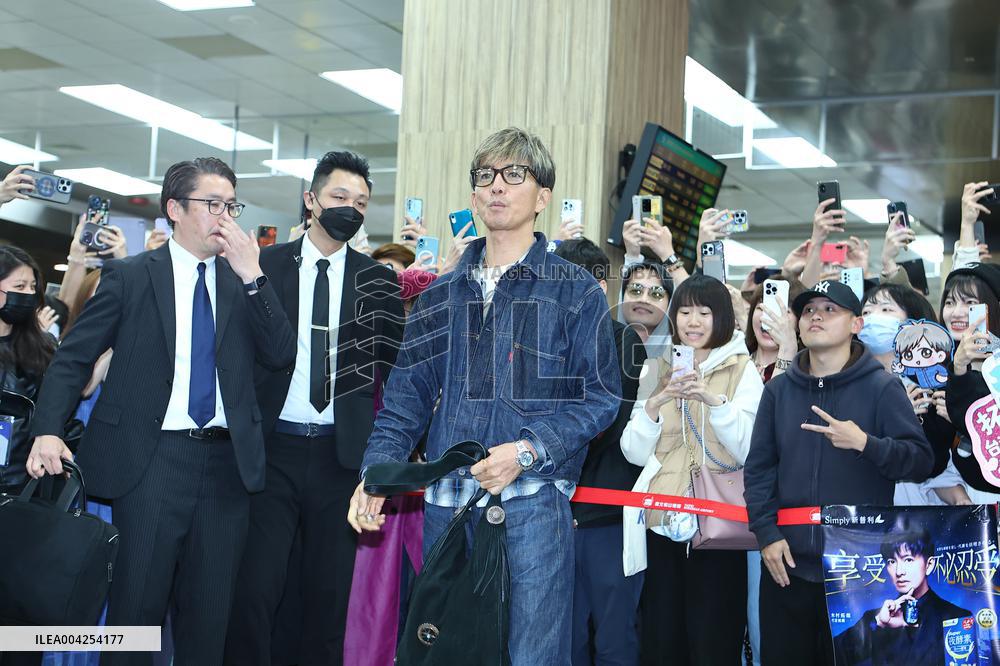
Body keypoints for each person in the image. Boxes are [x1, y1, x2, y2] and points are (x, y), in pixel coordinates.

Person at [349, 127, 621, 663]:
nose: (497, 187)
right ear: (474, 194)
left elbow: (600, 397)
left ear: (542, 196)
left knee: (531, 655)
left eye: (513, 175)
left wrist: (526, 451)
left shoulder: (575, 289)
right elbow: (405, 398)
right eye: (486, 176)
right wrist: (377, 473)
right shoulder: (440, 294)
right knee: (445, 652)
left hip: (534, 506)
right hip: (447, 506)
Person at [26, 157, 296, 665]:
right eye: (211, 204)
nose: (225, 217)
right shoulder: (129, 276)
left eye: (231, 205)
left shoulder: (245, 280)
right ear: (175, 208)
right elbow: (73, 359)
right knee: (135, 617)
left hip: (226, 469)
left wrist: (255, 276)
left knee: (208, 620)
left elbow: (281, 354)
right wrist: (46, 430)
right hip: (149, 462)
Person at [225, 151, 404, 665]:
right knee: (257, 592)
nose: (350, 209)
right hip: (271, 450)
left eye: (361, 202)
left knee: (328, 598)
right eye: (339, 198)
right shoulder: (264, 266)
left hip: (339, 457)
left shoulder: (378, 281)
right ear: (311, 200)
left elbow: (396, 372)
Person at [744, 279, 934, 665]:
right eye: (809, 310)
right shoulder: (779, 391)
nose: (816, 316)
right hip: (786, 566)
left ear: (856, 324)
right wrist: (766, 534)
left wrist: (866, 443)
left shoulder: (882, 388)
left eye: (830, 309)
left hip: (859, 573)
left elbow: (920, 460)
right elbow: (759, 470)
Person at [621, 274, 764, 665]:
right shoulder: (656, 368)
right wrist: (656, 402)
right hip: (663, 520)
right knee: (662, 637)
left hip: (720, 524)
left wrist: (713, 402)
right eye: (684, 312)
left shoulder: (741, 369)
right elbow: (633, 452)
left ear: (722, 318)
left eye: (704, 312)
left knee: (714, 636)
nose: (693, 322)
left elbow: (751, 448)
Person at [554, 238, 648, 666]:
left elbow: (609, 422)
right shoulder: (542, 337)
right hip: (551, 511)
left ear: (598, 284)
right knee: (560, 636)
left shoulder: (623, 339)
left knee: (612, 637)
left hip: (606, 511)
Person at [858, 283, 970, 506]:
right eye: (866, 312)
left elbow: (936, 465)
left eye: (886, 310)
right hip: (863, 507)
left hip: (914, 516)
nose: (873, 318)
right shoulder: (849, 380)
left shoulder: (933, 387)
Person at [833, 524, 969, 666]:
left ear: (929, 565)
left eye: (908, 559)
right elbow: (835, 654)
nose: (899, 571)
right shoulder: (875, 619)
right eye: (892, 561)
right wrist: (878, 622)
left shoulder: (958, 617)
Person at [0, 246, 55, 496]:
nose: (29, 294)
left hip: (26, 484)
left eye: (33, 287)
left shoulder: (44, 347)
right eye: (20, 286)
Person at [943, 263, 1000, 503]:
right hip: (963, 498)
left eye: (969, 303)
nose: (956, 312)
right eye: (949, 302)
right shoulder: (933, 364)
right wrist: (958, 368)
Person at [620, 262, 673, 357]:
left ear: (669, 305)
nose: (644, 300)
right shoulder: (599, 343)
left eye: (656, 294)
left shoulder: (677, 359)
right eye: (635, 290)